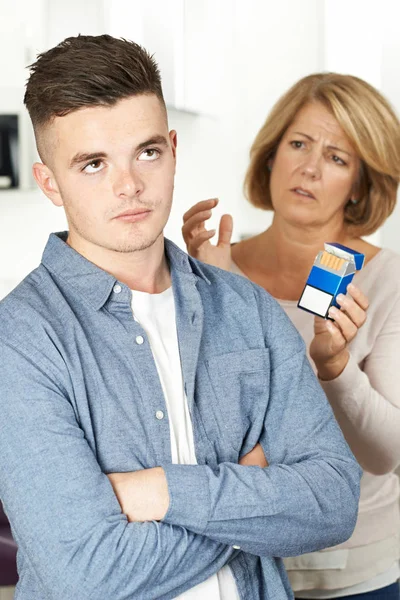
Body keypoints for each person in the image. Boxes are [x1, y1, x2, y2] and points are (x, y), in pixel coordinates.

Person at [0, 37, 360, 600]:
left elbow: (333, 502)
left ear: (171, 149)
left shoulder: (247, 309)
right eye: (93, 164)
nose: (129, 186)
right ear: (50, 182)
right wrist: (256, 504)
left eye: (146, 152)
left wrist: (158, 493)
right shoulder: (19, 340)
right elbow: (86, 574)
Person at [182, 73, 400, 600]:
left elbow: (385, 453)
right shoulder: (216, 266)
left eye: (337, 158)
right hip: (235, 564)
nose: (308, 168)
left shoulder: (387, 279)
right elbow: (199, 421)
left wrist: (336, 368)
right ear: (271, 156)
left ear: (360, 185)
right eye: (299, 144)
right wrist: (211, 293)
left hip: (353, 574)